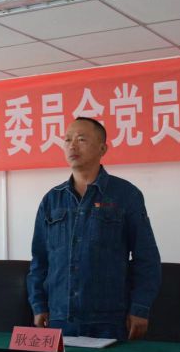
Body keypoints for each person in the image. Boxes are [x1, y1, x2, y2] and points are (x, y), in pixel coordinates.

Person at [27, 117, 162, 340]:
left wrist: (140, 308)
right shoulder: (51, 200)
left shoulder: (125, 195)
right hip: (59, 318)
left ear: (102, 149)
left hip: (110, 320)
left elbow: (146, 257)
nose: (72, 146)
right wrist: (38, 304)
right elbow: (39, 260)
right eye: (67, 140)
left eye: (81, 139)